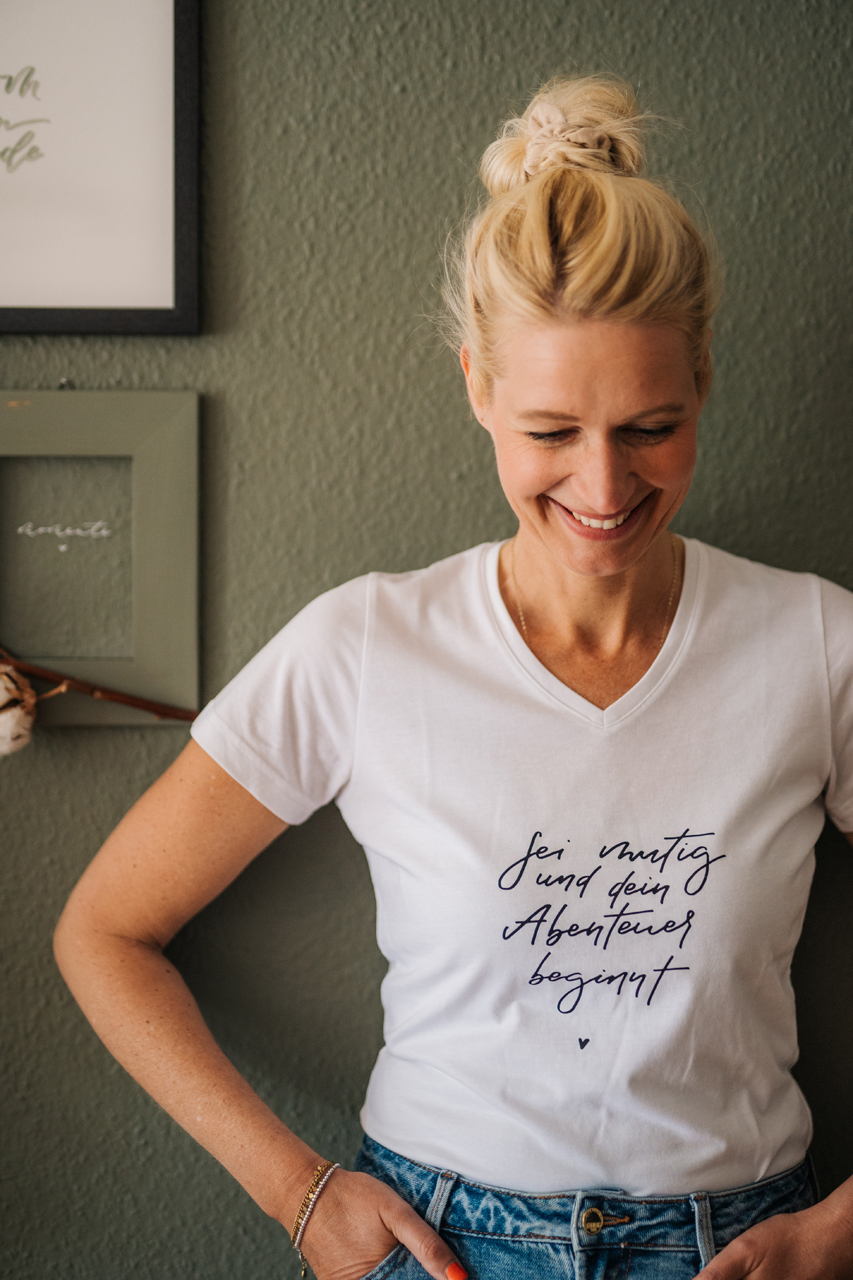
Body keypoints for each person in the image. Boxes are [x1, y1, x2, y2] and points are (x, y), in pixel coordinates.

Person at [54, 74, 853, 1280]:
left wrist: (840, 1232)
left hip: (742, 1245)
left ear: (701, 381)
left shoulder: (816, 645)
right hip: (444, 1245)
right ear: (477, 383)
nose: (601, 486)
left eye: (649, 426)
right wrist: (299, 1196)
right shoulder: (364, 645)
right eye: (549, 431)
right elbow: (106, 929)